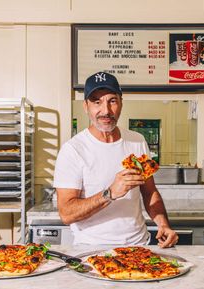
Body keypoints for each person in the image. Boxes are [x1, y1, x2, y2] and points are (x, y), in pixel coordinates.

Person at [53, 71, 178, 248]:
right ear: (86, 106)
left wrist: (163, 224)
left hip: (139, 246)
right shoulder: (73, 150)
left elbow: (149, 191)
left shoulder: (137, 141)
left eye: (112, 101)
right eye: (97, 102)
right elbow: (66, 214)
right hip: (91, 249)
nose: (105, 110)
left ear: (121, 103)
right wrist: (110, 193)